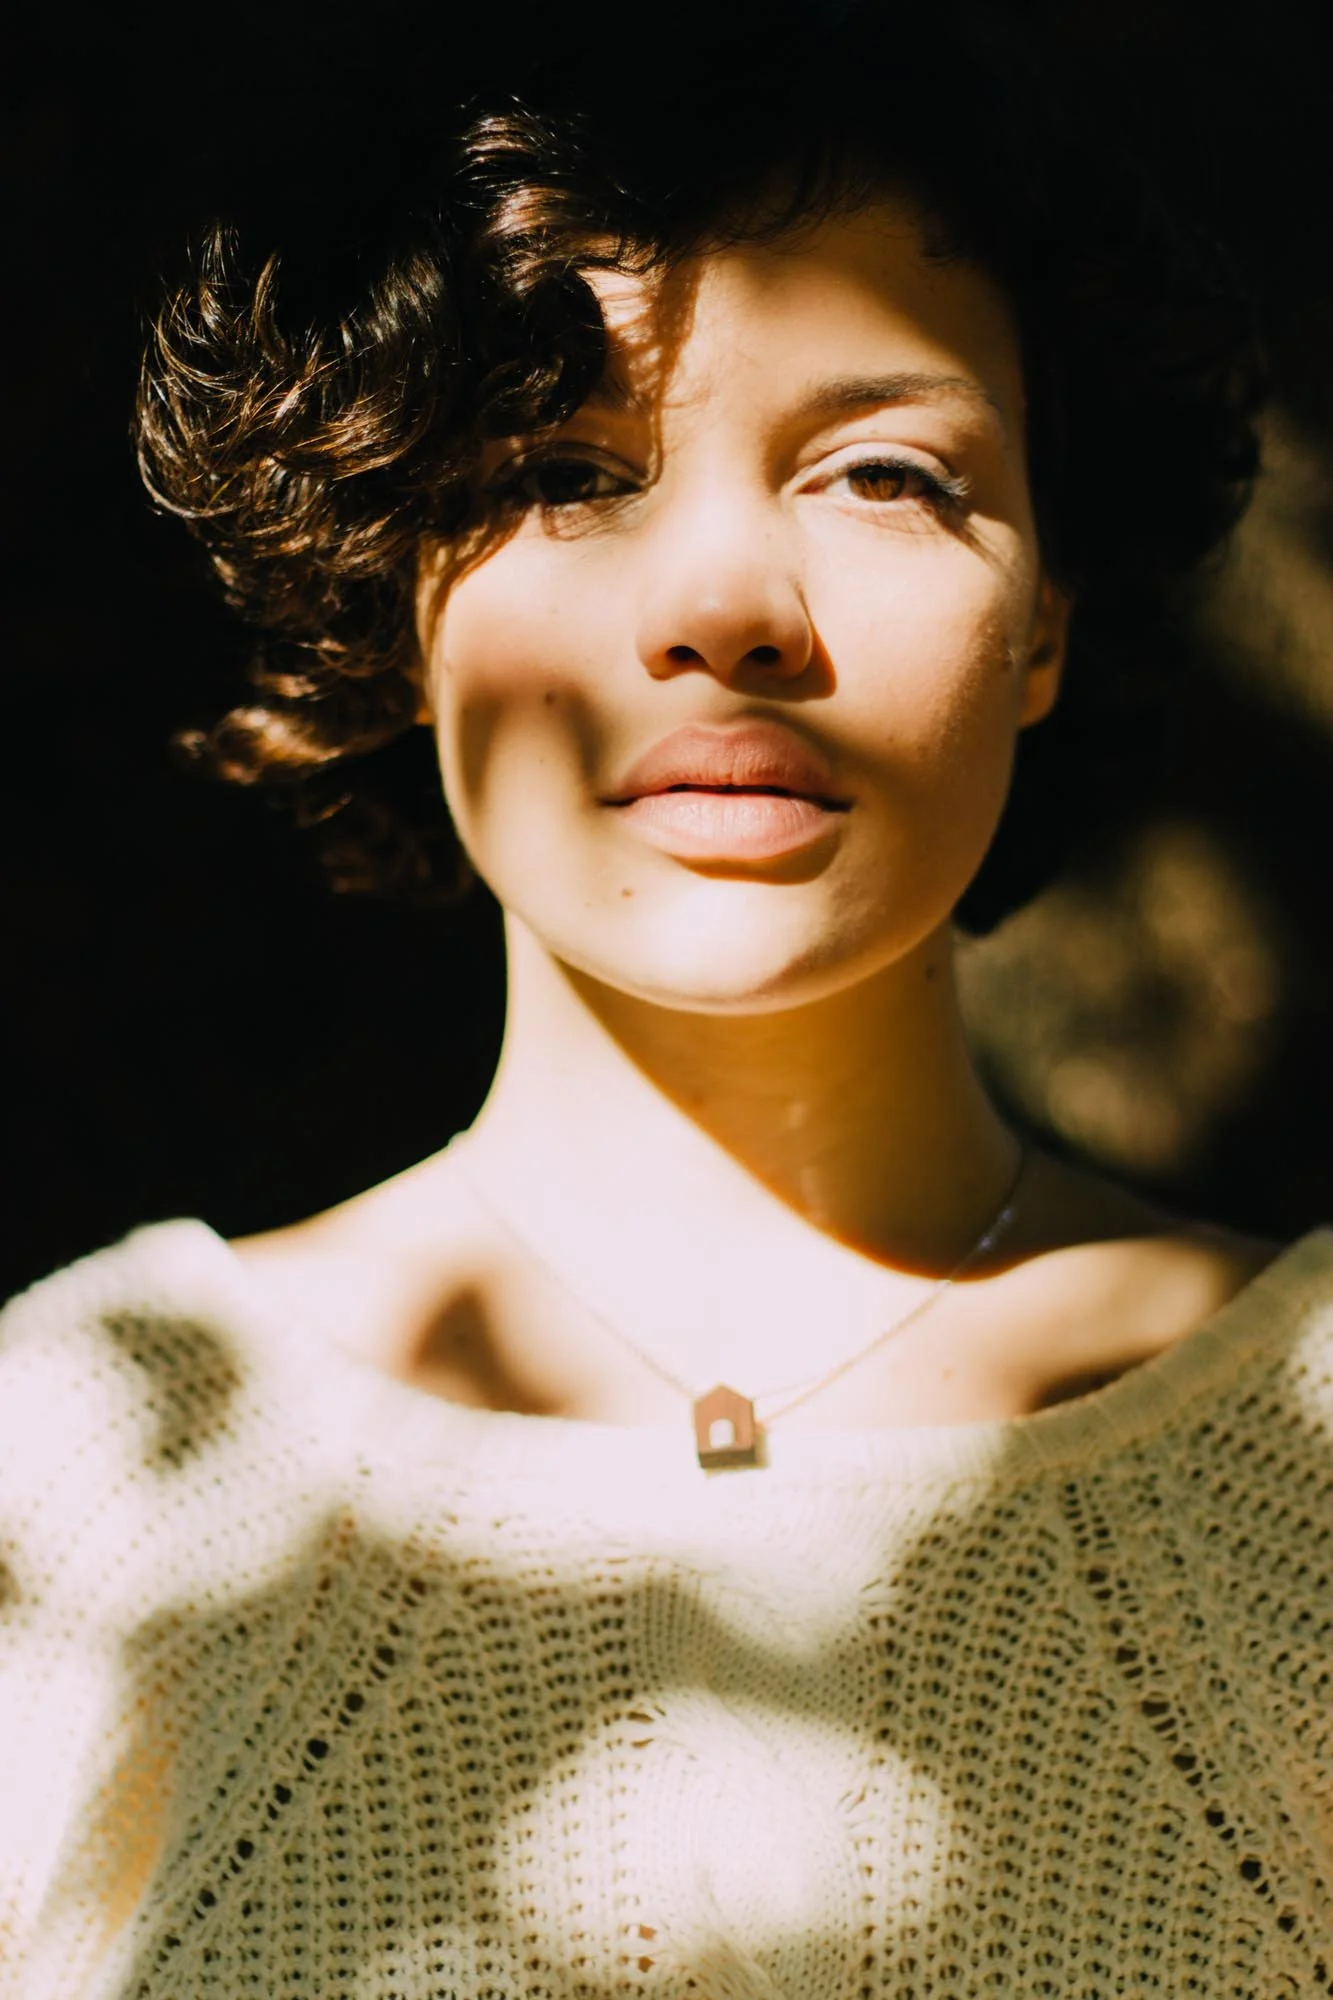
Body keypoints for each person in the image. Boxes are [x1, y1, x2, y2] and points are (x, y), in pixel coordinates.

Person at [4, 6, 1331, 1993]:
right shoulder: (78, 1474)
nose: (724, 600)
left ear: (1047, 605)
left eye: (884, 472)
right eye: (560, 462)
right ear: (403, 579)